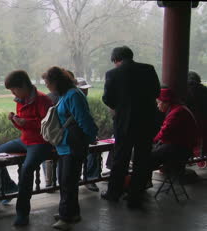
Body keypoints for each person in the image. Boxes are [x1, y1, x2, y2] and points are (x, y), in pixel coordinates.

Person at [0, 70, 54, 227]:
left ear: (24, 85)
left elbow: (49, 127)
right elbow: (23, 127)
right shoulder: (20, 100)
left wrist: (26, 123)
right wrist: (15, 120)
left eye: (14, 89)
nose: (13, 93)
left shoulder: (43, 100)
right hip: (24, 140)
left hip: (40, 143)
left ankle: (22, 213)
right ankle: (9, 187)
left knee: (27, 169)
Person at [101, 46, 161, 208]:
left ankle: (114, 193)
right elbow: (156, 92)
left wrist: (120, 107)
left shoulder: (113, 74)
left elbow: (108, 99)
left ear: (116, 60)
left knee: (120, 158)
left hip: (124, 123)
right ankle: (135, 195)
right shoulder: (148, 69)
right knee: (142, 158)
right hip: (146, 122)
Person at [43, 67, 98, 231]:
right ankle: (71, 213)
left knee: (67, 181)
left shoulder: (73, 95)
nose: (47, 86)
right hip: (65, 146)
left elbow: (84, 120)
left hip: (73, 145)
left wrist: (89, 139)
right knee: (67, 181)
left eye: (48, 83)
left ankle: (66, 217)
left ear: (56, 82)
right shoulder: (65, 95)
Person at [151, 87, 197, 171]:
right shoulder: (178, 108)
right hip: (182, 146)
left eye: (158, 103)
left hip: (181, 149)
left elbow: (164, 133)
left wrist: (153, 141)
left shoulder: (176, 113)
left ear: (166, 102)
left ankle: (143, 181)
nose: (157, 106)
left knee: (148, 157)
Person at [76, 77, 101, 192]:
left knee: (95, 149)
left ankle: (91, 178)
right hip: (74, 138)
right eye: (82, 89)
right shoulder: (74, 100)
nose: (86, 91)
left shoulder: (83, 100)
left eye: (86, 89)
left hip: (83, 137)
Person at [186, 71, 207, 155]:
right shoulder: (204, 90)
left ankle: (190, 155)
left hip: (191, 118)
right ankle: (203, 154)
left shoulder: (184, 90)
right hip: (204, 117)